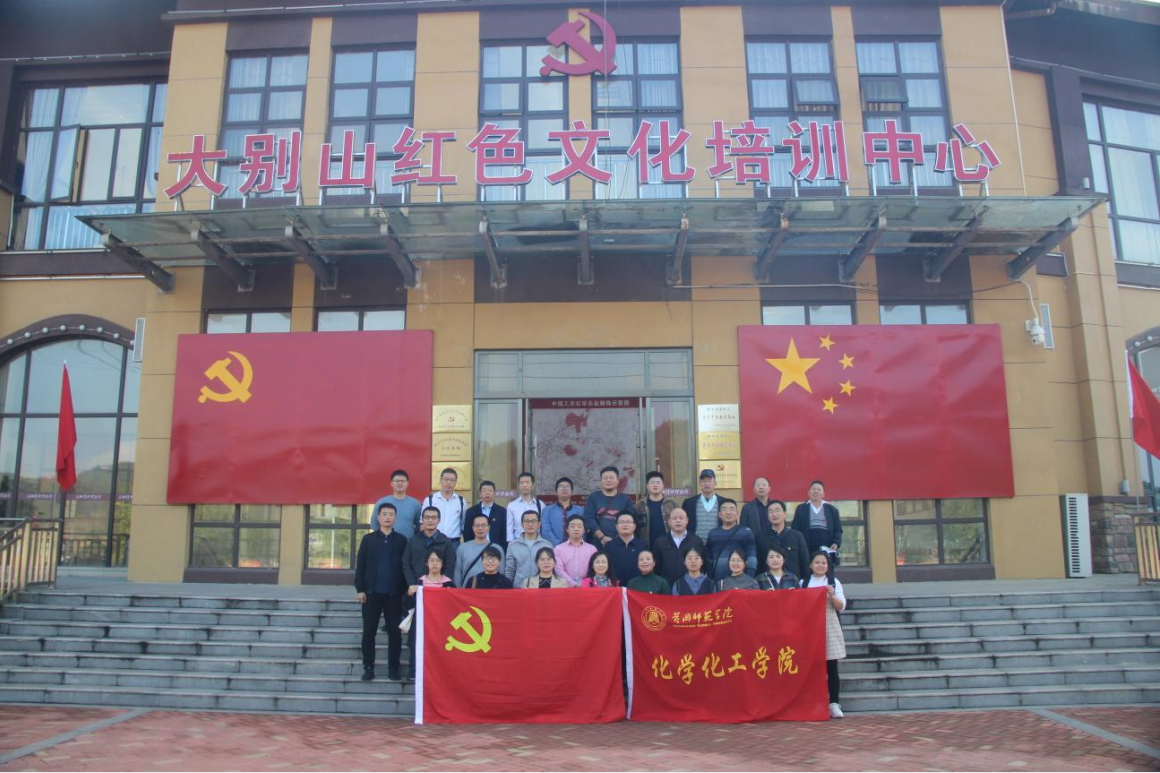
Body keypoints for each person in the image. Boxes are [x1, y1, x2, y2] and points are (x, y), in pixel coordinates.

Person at [401, 506, 458, 679]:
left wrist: (443, 582)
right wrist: (413, 585)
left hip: (439, 598)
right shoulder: (413, 541)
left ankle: (439, 673)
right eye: (427, 517)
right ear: (422, 520)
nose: (430, 520)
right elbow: (406, 564)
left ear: (439, 520)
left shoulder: (445, 541)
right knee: (416, 637)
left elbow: (450, 564)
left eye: (434, 517)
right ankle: (414, 671)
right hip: (419, 591)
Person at [354, 502, 407, 682]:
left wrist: (404, 591)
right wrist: (360, 589)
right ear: (378, 517)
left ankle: (393, 668)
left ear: (395, 518)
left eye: (391, 514)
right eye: (384, 514)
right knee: (369, 632)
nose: (387, 517)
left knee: (395, 633)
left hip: (394, 595)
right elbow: (361, 565)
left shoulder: (401, 540)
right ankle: (368, 668)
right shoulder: (368, 540)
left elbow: (404, 567)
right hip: (371, 594)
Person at [802, 551, 847, 719]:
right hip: (810, 627)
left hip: (829, 625)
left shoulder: (834, 582)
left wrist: (832, 595)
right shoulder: (804, 583)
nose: (820, 565)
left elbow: (841, 606)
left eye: (823, 563)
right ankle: (813, 703)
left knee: (831, 666)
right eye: (817, 562)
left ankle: (834, 703)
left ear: (828, 566)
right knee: (812, 667)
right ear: (810, 565)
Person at [755, 500, 811, 581]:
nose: (774, 514)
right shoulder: (760, 537)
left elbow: (804, 562)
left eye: (777, 511)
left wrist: (804, 582)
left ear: (785, 514)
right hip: (768, 583)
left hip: (793, 583)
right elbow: (758, 564)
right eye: (770, 512)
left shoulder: (797, 536)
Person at [791, 480, 843, 565]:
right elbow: (795, 529)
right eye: (813, 489)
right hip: (806, 548)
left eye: (819, 489)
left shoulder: (832, 510)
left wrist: (836, 542)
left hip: (826, 548)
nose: (815, 491)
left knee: (825, 569)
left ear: (823, 494)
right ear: (808, 492)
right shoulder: (801, 509)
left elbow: (838, 530)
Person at [652, 507, 705, 588]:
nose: (678, 521)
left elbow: (702, 567)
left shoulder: (696, 541)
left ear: (687, 520)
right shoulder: (660, 542)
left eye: (681, 518)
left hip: (690, 588)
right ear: (669, 521)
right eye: (674, 518)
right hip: (666, 587)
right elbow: (656, 568)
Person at [705, 498, 757, 581]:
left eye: (732, 509)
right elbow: (709, 561)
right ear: (719, 514)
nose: (728, 512)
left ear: (737, 514)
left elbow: (751, 559)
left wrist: (749, 579)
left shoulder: (746, 532)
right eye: (724, 509)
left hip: (741, 582)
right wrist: (710, 580)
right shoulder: (712, 534)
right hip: (718, 581)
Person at [583, 466, 632, 547]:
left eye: (611, 477)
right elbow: (589, 518)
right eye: (605, 478)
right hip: (597, 542)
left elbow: (630, 520)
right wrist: (602, 537)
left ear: (617, 481)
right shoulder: (593, 497)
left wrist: (619, 538)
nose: (608, 480)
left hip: (620, 542)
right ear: (601, 481)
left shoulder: (625, 499)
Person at [504, 509, 554, 588]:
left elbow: (551, 569)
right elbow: (510, 570)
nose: (530, 524)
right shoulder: (513, 546)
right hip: (519, 588)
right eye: (527, 521)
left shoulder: (547, 545)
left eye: (533, 521)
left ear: (539, 524)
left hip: (541, 588)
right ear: (522, 524)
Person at [454, 513, 504, 588]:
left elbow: (501, 572)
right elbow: (457, 573)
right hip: (468, 590)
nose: (480, 528)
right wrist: (457, 591)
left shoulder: (497, 549)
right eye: (477, 525)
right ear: (472, 527)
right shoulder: (463, 548)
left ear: (489, 527)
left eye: (483, 525)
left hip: (491, 590)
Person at [370, 469, 421, 539]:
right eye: (397, 481)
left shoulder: (415, 504)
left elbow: (419, 525)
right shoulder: (382, 502)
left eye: (403, 481)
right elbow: (374, 523)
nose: (400, 483)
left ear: (407, 483)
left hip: (408, 543)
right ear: (391, 483)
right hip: (386, 542)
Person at [422, 468, 469, 541]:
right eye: (446, 479)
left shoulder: (461, 501)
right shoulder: (430, 500)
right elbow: (423, 523)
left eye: (452, 480)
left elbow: (463, 524)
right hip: (434, 541)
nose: (449, 482)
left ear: (456, 482)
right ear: (440, 480)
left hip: (454, 542)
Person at [634, 471, 678, 545]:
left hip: (669, 545)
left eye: (658, 482)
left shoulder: (672, 503)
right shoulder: (640, 505)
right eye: (652, 483)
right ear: (647, 485)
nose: (655, 485)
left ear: (663, 485)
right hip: (646, 545)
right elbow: (635, 526)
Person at [605, 511, 647, 584]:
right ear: (616, 526)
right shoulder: (609, 546)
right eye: (621, 522)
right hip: (615, 587)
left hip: (637, 587)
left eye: (628, 522)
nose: (625, 525)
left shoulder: (642, 546)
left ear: (634, 526)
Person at [554, 514, 597, 587]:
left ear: (584, 530)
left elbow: (595, 569)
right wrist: (573, 584)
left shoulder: (592, 549)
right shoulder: (558, 549)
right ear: (567, 529)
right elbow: (559, 570)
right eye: (573, 526)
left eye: (579, 526)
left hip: (587, 588)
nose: (576, 529)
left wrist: (585, 583)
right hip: (565, 587)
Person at [462, 480, 507, 548]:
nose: (487, 493)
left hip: (495, 548)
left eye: (490, 491)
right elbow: (467, 534)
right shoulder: (471, 512)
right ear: (480, 493)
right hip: (475, 548)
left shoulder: (502, 512)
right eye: (484, 491)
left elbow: (504, 534)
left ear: (494, 493)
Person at [505, 472, 546, 544]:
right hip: (518, 543)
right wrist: (511, 545)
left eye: (527, 482)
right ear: (519, 485)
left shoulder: (541, 505)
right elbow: (509, 529)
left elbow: (544, 526)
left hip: (537, 543)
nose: (524, 485)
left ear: (532, 485)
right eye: (522, 483)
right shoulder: (511, 506)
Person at [542, 477, 583, 546]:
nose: (564, 489)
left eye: (567, 487)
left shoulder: (580, 510)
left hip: (576, 547)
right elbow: (546, 531)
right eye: (561, 487)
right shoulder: (547, 510)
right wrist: (560, 546)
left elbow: (583, 531)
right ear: (556, 492)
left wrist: (573, 544)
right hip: (554, 548)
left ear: (572, 492)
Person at [680, 468, 720, 536]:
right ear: (699, 484)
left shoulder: (723, 503)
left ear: (715, 483)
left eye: (709, 481)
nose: (707, 484)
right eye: (704, 481)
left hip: (718, 541)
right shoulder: (689, 503)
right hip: (695, 541)